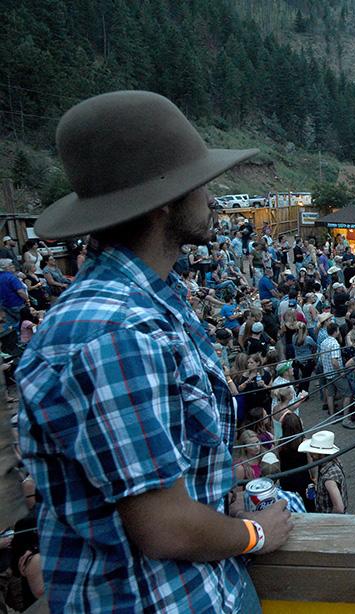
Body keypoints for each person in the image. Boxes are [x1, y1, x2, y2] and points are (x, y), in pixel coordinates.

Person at [16, 91, 291, 611]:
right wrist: (256, 533)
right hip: (157, 599)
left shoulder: (150, 300)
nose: (211, 196)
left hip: (208, 587)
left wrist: (214, 479)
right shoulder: (116, 332)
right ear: (165, 200)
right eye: (200, 182)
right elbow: (163, 527)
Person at [300, 430, 348, 514]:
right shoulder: (331, 462)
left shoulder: (329, 477)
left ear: (321, 454)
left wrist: (328, 521)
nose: (310, 454)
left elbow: (339, 508)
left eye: (313, 452)